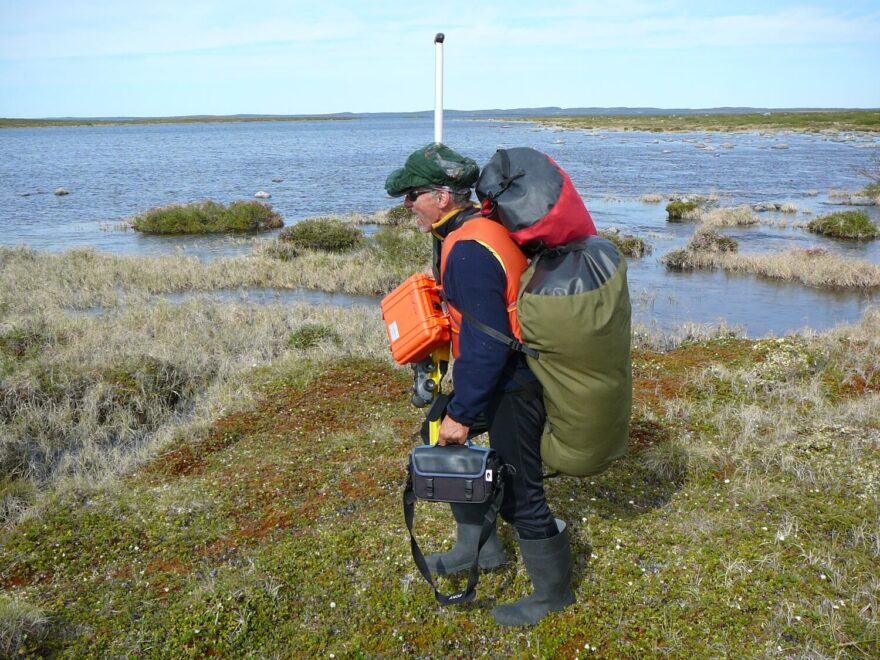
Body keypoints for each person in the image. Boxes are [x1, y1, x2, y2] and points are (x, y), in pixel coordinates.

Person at [385, 143, 575, 627]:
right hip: (491, 373)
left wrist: (462, 415)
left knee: (521, 491)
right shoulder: (474, 229)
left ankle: (553, 595)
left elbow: (490, 342)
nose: (408, 205)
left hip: (513, 382)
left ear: (443, 196)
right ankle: (478, 549)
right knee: (434, 443)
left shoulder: (468, 249)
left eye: (413, 195)